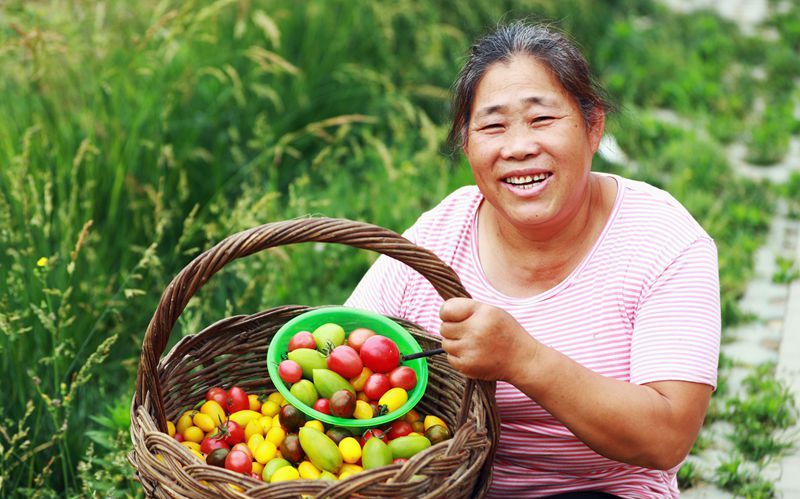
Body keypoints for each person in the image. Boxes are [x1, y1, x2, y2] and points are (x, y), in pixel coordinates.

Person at [346, 20, 720, 498]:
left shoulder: (661, 240)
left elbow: (666, 437)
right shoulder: (441, 234)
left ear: (593, 127)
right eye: (493, 125)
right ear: (467, 143)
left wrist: (522, 359)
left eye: (542, 120)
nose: (519, 147)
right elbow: (340, 349)